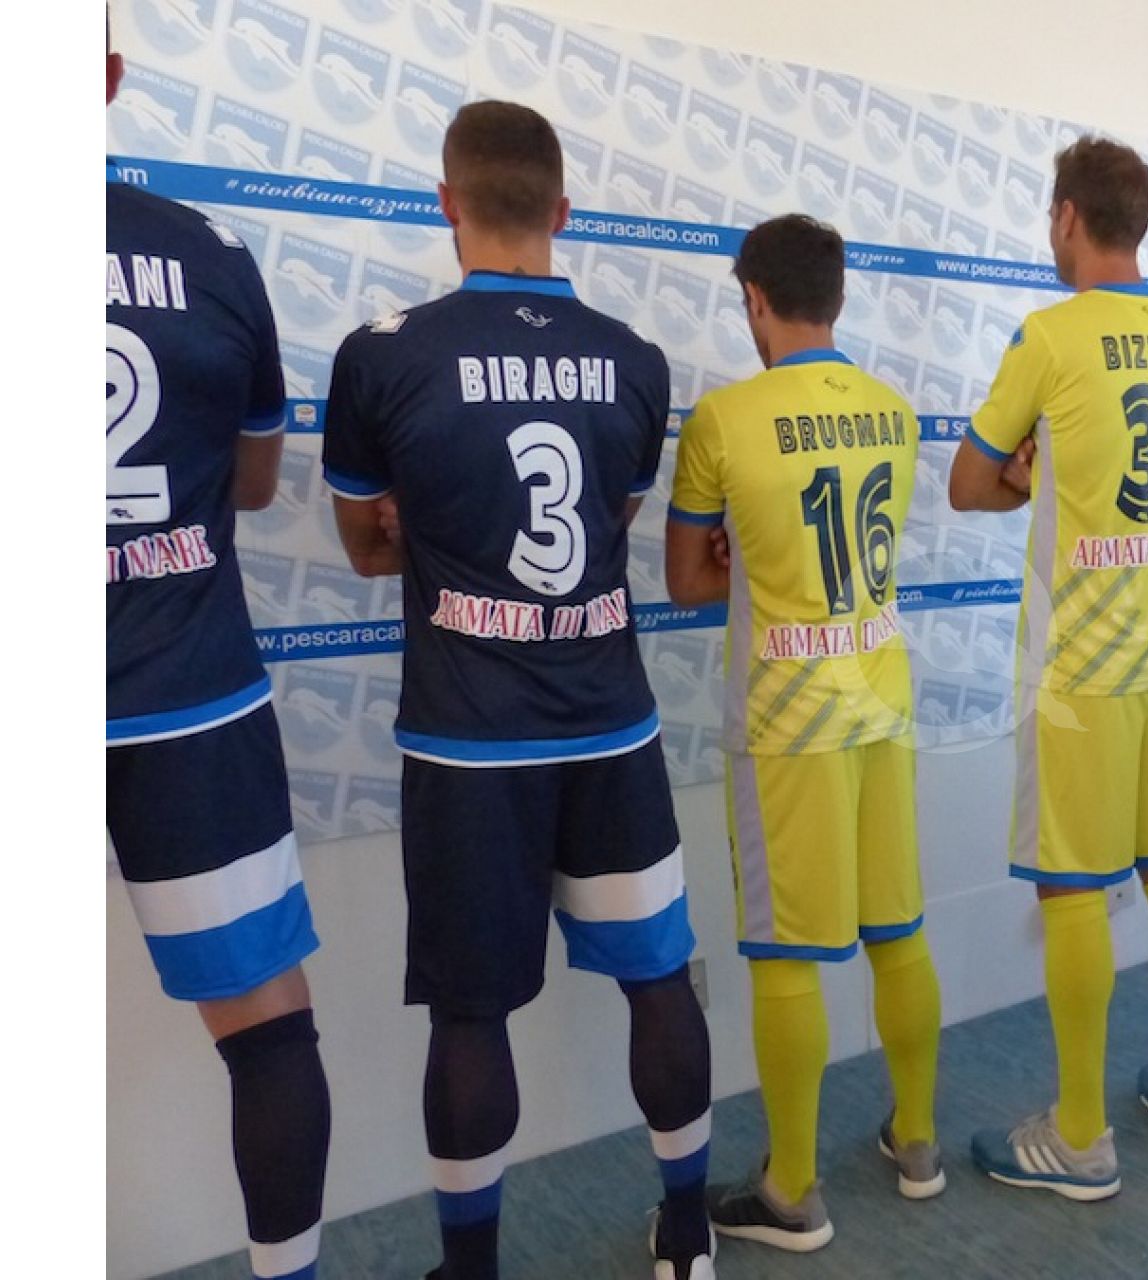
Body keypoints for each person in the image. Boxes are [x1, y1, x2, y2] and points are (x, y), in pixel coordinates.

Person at [321, 101, 713, 1280]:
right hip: (609, 729)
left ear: (447, 203)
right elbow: (613, 521)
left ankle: (473, 1267)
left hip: (469, 744)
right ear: (563, 210)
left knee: (469, 1013)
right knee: (658, 978)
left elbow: (368, 547)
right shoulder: (636, 360)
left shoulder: (382, 355)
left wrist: (437, 534)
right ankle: (688, 1235)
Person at [664, 214, 944, 1251]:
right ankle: (918, 1142)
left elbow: (686, 579)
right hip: (882, 704)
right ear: (838, 295)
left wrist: (741, 561)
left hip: (788, 721)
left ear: (754, 299)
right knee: (897, 930)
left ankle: (791, 1189)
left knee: (784, 953)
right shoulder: (893, 411)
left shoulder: (724, 419)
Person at [950, 136, 1148, 1197]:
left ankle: (1079, 1134)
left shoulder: (1051, 335)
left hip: (1080, 667)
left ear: (1068, 216)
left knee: (1072, 888)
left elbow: (970, 483)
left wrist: (1028, 476)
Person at [106, 34, 332, 1280]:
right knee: (270, 1033)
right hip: (191, 694)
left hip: (182, 697)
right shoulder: (212, 253)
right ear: (108, 75)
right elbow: (250, 480)